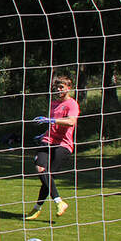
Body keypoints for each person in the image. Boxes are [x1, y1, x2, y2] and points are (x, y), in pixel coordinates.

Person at [27, 73, 80, 220]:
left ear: (69, 88)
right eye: (56, 88)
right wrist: (44, 132)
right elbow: (52, 124)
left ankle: (37, 208)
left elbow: (71, 122)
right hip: (48, 140)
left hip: (63, 144)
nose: (58, 90)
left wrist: (50, 120)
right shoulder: (53, 103)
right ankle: (59, 201)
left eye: (61, 87)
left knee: (48, 177)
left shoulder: (72, 104)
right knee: (40, 169)